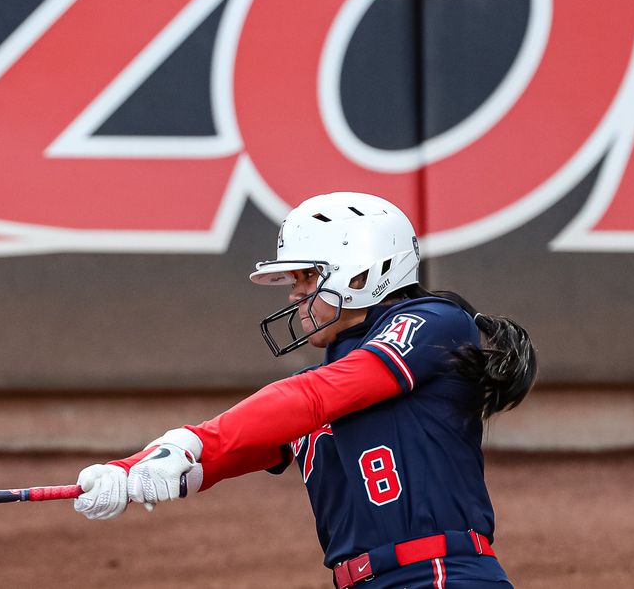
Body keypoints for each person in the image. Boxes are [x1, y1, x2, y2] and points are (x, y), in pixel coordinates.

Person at [72, 192, 537, 588]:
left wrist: (187, 442)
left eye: (307, 277)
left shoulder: (434, 321)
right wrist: (127, 472)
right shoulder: (326, 383)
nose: (294, 295)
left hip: (441, 575)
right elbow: (226, 450)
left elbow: (314, 397)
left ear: (361, 273)